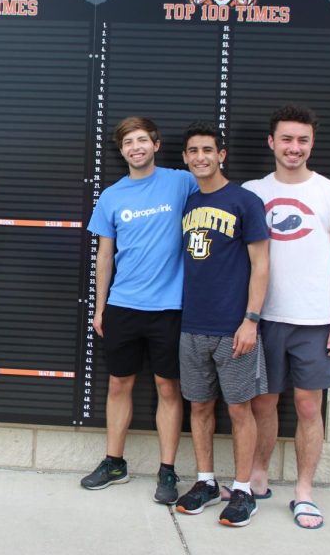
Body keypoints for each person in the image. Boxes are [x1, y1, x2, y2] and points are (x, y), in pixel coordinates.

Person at [242, 104, 330, 529]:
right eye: (287, 139)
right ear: (272, 142)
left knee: (310, 407)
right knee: (263, 404)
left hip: (316, 322)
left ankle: (305, 492)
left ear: (312, 143)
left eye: (303, 140)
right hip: (263, 319)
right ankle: (257, 478)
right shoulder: (252, 192)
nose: (295, 148)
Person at [82, 116, 198, 503]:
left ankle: (168, 471)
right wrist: (100, 309)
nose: (136, 147)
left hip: (170, 307)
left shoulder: (180, 182)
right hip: (123, 306)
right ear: (122, 151)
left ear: (156, 144)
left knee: (169, 388)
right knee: (119, 384)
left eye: (142, 140)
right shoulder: (112, 196)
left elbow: (217, 194)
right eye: (129, 142)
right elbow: (104, 257)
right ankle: (115, 462)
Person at [174, 122, 270, 527]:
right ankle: (206, 481)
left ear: (222, 155)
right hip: (192, 325)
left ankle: (244, 489)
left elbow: (262, 264)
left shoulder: (245, 201)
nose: (200, 157)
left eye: (208, 150)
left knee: (239, 408)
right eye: (193, 151)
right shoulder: (190, 203)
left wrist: (250, 320)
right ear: (185, 157)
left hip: (234, 327)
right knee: (198, 406)